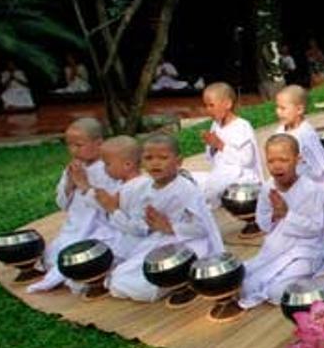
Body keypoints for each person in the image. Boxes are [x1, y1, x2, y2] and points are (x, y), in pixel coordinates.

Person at [106, 134, 224, 302]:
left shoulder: (185, 189)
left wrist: (170, 228)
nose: (155, 163)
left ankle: (175, 283)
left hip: (188, 243)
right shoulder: (145, 189)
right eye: (149, 158)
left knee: (146, 286)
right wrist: (150, 226)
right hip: (160, 241)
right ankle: (169, 282)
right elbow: (142, 222)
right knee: (119, 277)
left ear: (178, 162)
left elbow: (202, 227)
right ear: (142, 162)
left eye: (163, 158)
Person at [236, 135, 324, 312]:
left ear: (298, 160)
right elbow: (263, 223)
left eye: (283, 160)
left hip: (306, 251)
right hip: (276, 249)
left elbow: (315, 229)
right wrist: (273, 216)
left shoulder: (311, 190)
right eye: (271, 161)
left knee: (277, 292)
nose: (277, 165)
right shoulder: (268, 188)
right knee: (246, 285)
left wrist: (287, 214)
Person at [27, 118, 120, 292]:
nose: (73, 150)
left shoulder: (111, 169)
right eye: (69, 145)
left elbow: (112, 207)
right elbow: (62, 204)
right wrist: (70, 183)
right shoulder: (72, 169)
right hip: (74, 229)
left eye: (79, 145)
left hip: (103, 229)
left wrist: (85, 185)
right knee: (53, 258)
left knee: (83, 265)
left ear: (99, 143)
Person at [193, 82, 263, 207]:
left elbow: (246, 160)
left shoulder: (242, 126)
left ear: (228, 104)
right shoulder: (216, 125)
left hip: (241, 177)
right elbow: (211, 159)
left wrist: (220, 145)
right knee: (187, 178)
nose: (208, 110)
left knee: (209, 190)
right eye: (206, 106)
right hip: (220, 174)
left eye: (211, 105)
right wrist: (211, 145)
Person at [274, 85, 324, 195]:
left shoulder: (306, 133)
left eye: (283, 108)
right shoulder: (279, 132)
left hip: (312, 183)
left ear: (299, 109)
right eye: (277, 107)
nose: (278, 112)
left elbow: (321, 162)